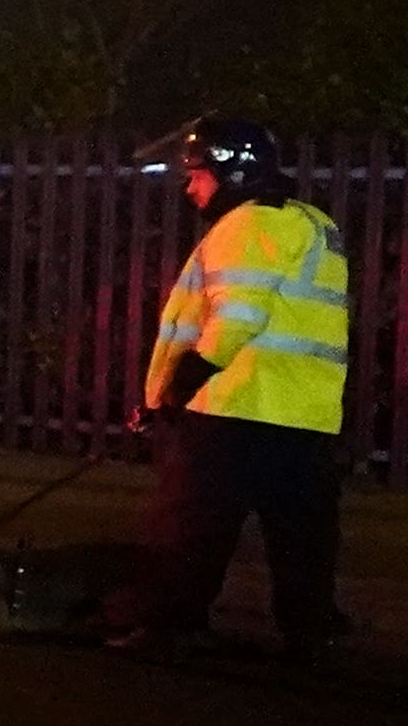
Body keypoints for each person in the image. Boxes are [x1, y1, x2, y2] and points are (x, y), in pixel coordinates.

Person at [108, 116, 357, 663]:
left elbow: (237, 317)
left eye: (196, 174)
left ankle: (168, 626)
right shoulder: (313, 224)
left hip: (236, 406)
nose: (189, 185)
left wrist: (179, 386)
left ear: (231, 172)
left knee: (191, 527)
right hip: (305, 414)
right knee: (302, 537)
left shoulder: (246, 226)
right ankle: (311, 633)